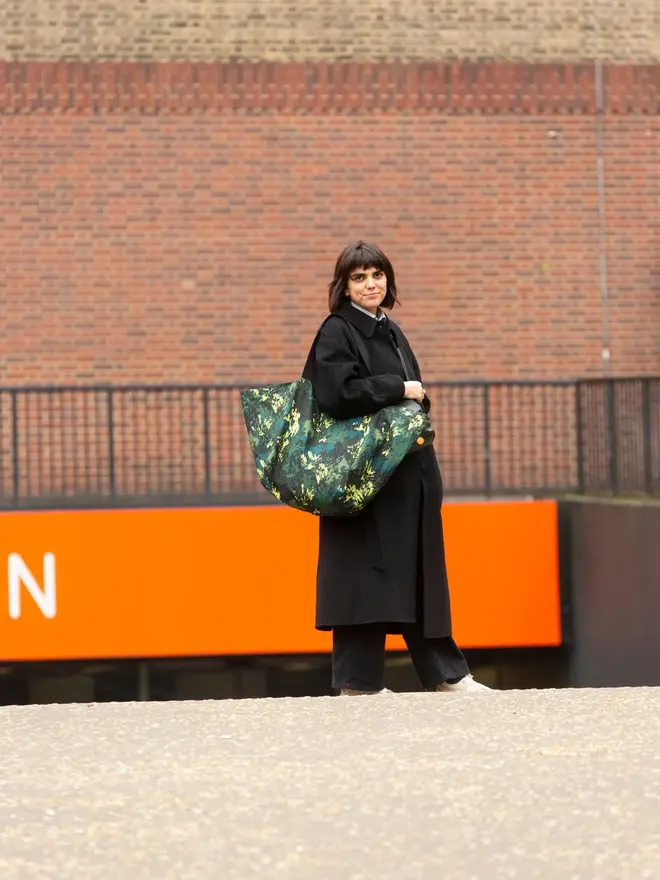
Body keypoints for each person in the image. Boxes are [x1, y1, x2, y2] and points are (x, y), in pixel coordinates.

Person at [302, 241, 490, 696]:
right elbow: (334, 394)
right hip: (365, 476)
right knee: (363, 572)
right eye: (360, 277)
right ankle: (359, 682)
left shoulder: (389, 328)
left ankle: (446, 673)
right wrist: (398, 387)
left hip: (408, 471)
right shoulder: (337, 331)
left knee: (419, 569)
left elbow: (413, 393)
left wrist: (411, 395)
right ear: (344, 287)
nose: (371, 284)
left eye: (377, 275)